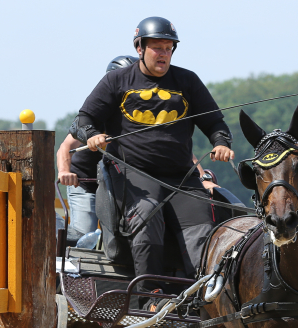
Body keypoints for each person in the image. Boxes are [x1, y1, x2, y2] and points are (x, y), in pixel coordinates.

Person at [68, 16, 234, 304]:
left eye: (169, 48)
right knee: (147, 214)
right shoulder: (116, 80)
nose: (163, 54)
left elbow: (215, 123)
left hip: (181, 176)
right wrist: (92, 135)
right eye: (157, 48)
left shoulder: (188, 81)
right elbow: (86, 118)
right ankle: (150, 295)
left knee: (201, 229)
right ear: (140, 48)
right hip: (134, 174)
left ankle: (204, 297)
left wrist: (221, 143)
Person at [57, 55, 139, 247]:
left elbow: (178, 148)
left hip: (123, 187)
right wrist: (64, 172)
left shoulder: (141, 117)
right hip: (86, 184)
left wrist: (204, 179)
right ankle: (54, 228)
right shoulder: (95, 115)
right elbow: (65, 148)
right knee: (85, 238)